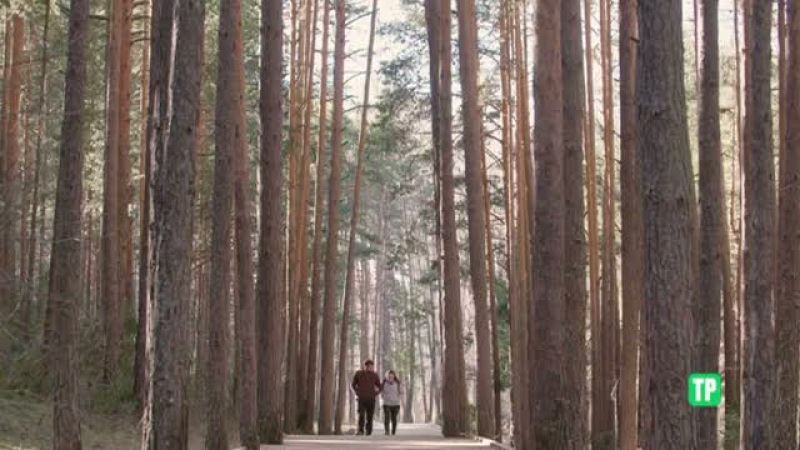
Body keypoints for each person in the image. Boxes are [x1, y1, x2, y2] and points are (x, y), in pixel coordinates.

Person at [352, 359, 382, 435]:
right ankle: (360, 430)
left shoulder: (375, 375)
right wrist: (356, 392)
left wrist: (375, 393)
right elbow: (353, 385)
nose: (370, 368)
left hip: (371, 399)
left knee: (370, 416)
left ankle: (369, 431)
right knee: (361, 414)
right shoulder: (359, 374)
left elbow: (380, 386)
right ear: (364, 366)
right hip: (361, 398)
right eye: (368, 366)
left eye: (371, 366)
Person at [381, 370, 402, 435]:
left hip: (396, 404)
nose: (390, 377)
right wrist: (383, 396)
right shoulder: (384, 383)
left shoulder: (397, 383)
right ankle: (387, 431)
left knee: (394, 418)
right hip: (387, 403)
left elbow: (401, 391)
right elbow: (380, 391)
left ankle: (393, 431)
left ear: (394, 376)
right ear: (387, 376)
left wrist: (400, 393)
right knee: (387, 417)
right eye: (389, 376)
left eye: (392, 376)